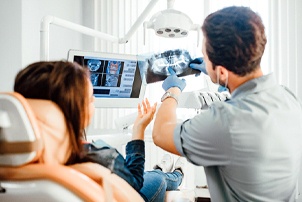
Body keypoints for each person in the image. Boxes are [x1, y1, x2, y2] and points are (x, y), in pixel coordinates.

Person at [152, 6, 302, 202]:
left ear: (222, 71)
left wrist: (172, 92)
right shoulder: (287, 97)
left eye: (206, 57)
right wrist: (225, 84)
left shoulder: (225, 122)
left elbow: (160, 133)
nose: (204, 61)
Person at [13, 60, 185, 202]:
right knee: (156, 178)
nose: (94, 100)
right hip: (128, 190)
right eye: (89, 99)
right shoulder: (101, 159)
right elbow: (135, 182)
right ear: (75, 111)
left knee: (152, 174)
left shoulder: (17, 162)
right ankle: (176, 173)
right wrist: (139, 129)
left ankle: (164, 168)